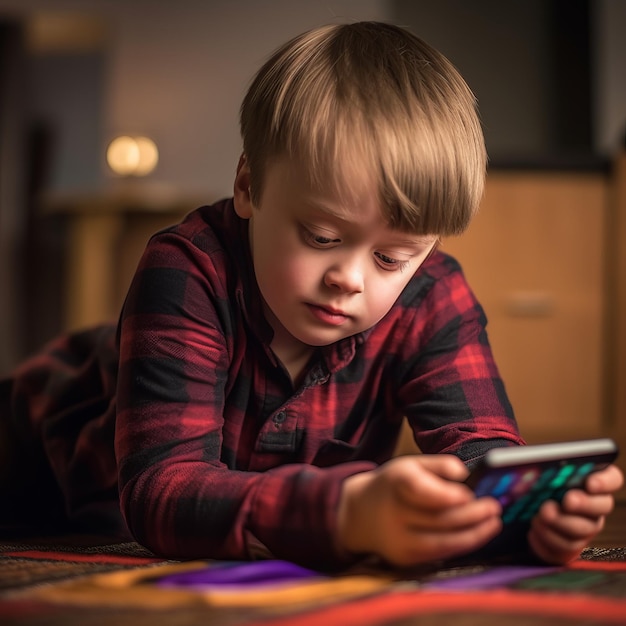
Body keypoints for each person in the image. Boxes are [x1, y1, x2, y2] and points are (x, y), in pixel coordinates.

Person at [1, 21, 622, 571]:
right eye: (322, 236)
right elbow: (163, 492)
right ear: (248, 186)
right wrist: (345, 512)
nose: (350, 278)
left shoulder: (433, 294)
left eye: (392, 258)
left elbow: (479, 450)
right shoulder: (187, 268)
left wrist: (521, 512)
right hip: (31, 458)